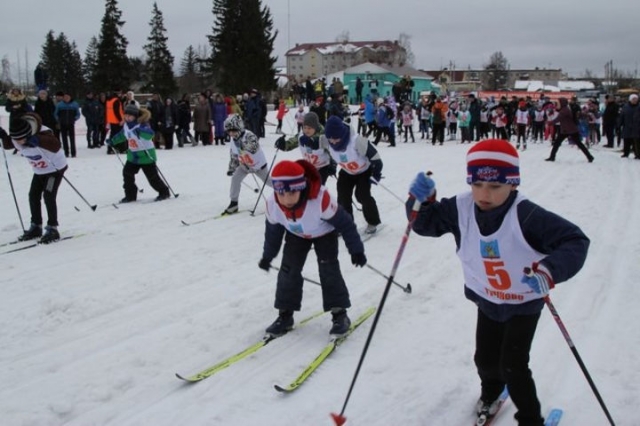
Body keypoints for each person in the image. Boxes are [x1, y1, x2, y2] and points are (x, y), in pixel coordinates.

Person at [406, 139, 590, 426]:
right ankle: (491, 393)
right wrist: (420, 201)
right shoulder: (460, 208)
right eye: (477, 184)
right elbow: (424, 224)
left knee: (514, 366)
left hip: (523, 302)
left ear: (513, 184)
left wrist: (549, 270)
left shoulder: (527, 215)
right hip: (487, 299)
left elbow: (575, 241)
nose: (484, 194)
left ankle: (530, 419)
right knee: (485, 360)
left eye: (494, 186)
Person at [258, 159, 366, 336]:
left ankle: (340, 314)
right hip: (297, 235)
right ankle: (285, 315)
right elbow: (273, 233)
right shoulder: (272, 204)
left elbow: (345, 223)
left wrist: (356, 250)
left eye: (292, 193)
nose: (286, 199)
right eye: (281, 193)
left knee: (328, 268)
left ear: (301, 187)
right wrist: (267, 256)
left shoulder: (320, 199)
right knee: (288, 270)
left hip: (324, 233)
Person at [1, 113, 67, 243]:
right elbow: (9, 144)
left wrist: (38, 140)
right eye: (16, 139)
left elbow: (55, 144)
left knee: (48, 195)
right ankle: (36, 226)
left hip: (54, 170)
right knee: (33, 195)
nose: (19, 142)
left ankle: (52, 228)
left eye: (21, 138)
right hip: (39, 170)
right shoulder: (17, 136)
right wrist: (3, 135)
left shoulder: (44, 132)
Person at [324, 115, 382, 234]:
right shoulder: (326, 141)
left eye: (336, 138)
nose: (333, 141)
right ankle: (346, 223)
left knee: (362, 196)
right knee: (343, 197)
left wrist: (376, 174)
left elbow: (376, 158)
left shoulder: (356, 141)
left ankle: (373, 221)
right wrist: (332, 166)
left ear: (342, 134)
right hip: (346, 172)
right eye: (330, 139)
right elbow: (328, 154)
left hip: (364, 172)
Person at [107, 104, 170, 203]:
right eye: (126, 115)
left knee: (152, 177)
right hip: (133, 156)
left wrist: (140, 131)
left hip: (146, 156)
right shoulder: (126, 126)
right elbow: (122, 135)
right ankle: (130, 195)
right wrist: (112, 141)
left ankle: (164, 192)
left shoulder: (141, 125)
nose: (127, 118)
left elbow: (150, 134)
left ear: (135, 116)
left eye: (130, 116)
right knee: (127, 174)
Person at [222, 114, 271, 214]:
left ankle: (285, 192)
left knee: (269, 182)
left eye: (233, 131)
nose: (231, 134)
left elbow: (254, 147)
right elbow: (234, 155)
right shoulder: (233, 140)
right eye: (229, 131)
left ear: (239, 127)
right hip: (245, 166)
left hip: (258, 166)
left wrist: (242, 145)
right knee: (235, 178)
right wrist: (232, 168)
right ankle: (234, 203)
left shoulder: (249, 135)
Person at [274, 112, 336, 185]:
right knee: (307, 187)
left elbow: (333, 151)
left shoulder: (323, 136)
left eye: (309, 128)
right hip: (309, 167)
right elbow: (291, 143)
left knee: (317, 187)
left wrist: (333, 165)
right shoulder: (301, 136)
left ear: (315, 128)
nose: (306, 130)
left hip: (322, 167)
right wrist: (283, 145)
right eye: (304, 127)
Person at [545, 97, 594, 163]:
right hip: (568, 130)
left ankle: (552, 157)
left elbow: (558, 119)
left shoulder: (564, 110)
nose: (557, 104)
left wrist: (549, 123)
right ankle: (590, 157)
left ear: (562, 103)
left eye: (558, 103)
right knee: (577, 144)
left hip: (570, 130)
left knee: (576, 144)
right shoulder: (564, 109)